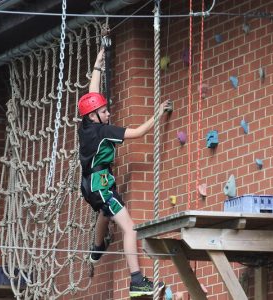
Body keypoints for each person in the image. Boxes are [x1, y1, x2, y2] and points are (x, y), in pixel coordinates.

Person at [78, 48, 170, 297]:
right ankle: (137, 282)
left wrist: (97, 66)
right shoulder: (103, 131)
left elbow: (92, 95)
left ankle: (97, 249)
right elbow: (139, 132)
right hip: (101, 184)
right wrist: (158, 115)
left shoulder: (86, 126)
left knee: (105, 212)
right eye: (105, 111)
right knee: (129, 227)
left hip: (90, 184)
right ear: (95, 116)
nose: (108, 113)